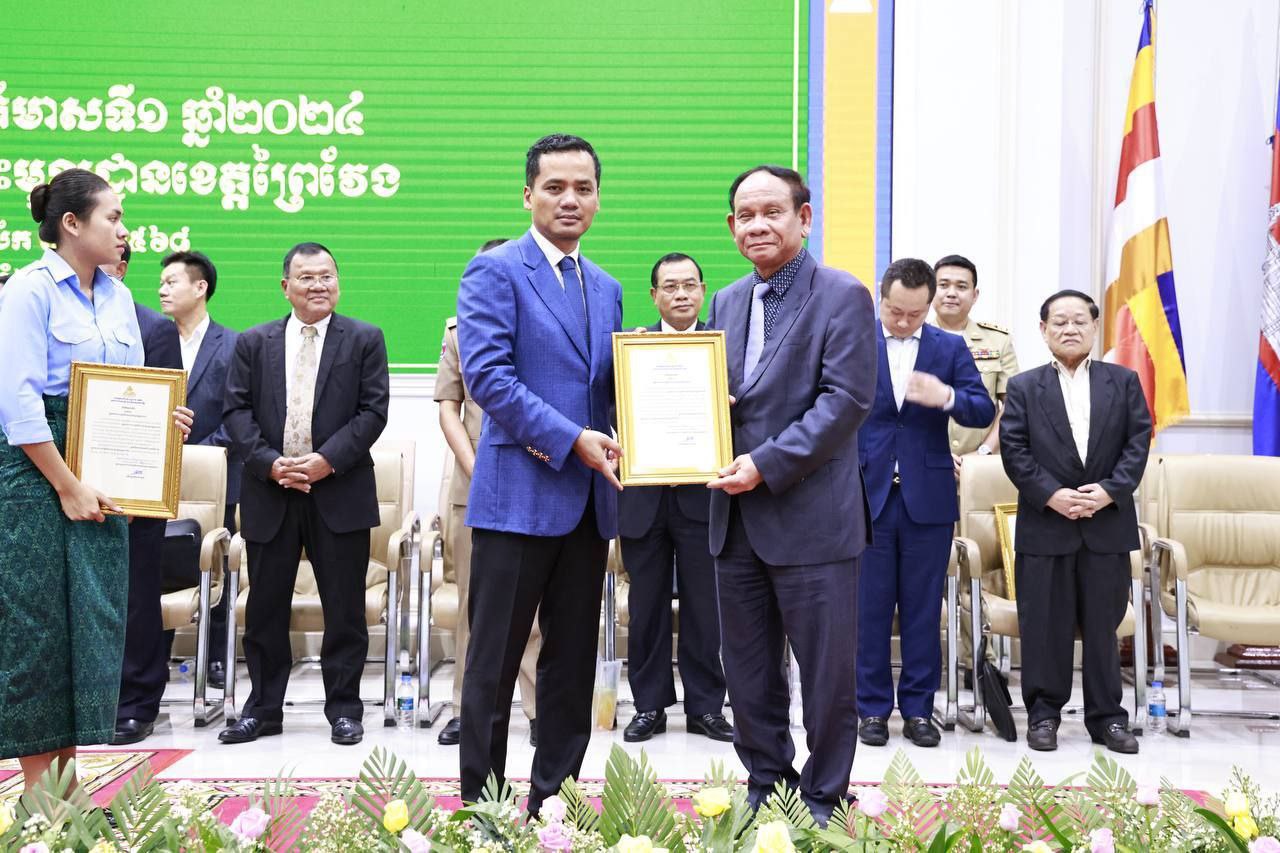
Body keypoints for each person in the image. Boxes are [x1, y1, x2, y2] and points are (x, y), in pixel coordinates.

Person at [0, 169, 191, 789]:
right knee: (39, 631)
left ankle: (66, 789)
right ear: (71, 224)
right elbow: (19, 406)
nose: (123, 229)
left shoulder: (116, 297)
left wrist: (165, 421)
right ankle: (42, 799)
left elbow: (128, 391)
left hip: (104, 479)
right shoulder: (28, 291)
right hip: (38, 476)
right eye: (113, 216)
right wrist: (67, 485)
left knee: (90, 625)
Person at [456, 134, 622, 813]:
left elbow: (605, 391)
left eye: (583, 188)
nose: (570, 199)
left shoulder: (606, 286)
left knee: (571, 666)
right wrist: (571, 438)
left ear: (598, 199)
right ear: (528, 195)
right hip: (517, 499)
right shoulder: (494, 271)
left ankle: (554, 803)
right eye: (555, 187)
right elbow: (488, 378)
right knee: (493, 666)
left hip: (587, 505)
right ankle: (487, 810)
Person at [706, 165, 876, 826]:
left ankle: (825, 793)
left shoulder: (842, 295)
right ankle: (766, 781)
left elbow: (845, 402)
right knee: (748, 670)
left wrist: (764, 464)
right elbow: (725, 397)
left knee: (827, 673)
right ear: (732, 226)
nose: (757, 225)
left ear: (804, 218)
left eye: (771, 212)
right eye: (745, 215)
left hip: (812, 518)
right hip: (734, 519)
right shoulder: (725, 301)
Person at [218, 242, 390, 746]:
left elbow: (373, 412)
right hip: (270, 491)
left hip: (339, 489)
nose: (319, 285)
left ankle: (344, 709)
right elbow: (236, 412)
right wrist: (270, 464)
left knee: (345, 609)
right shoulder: (254, 342)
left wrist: (325, 461)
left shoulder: (365, 338)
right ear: (285, 286)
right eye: (307, 277)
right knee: (265, 609)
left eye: (327, 276)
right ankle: (263, 709)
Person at [1000, 289, 1149, 754]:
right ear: (1043, 330)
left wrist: (1108, 492)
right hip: (1046, 525)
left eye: (1080, 321)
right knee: (1044, 627)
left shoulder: (1123, 381)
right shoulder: (1024, 387)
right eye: (1060, 321)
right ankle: (1043, 715)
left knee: (1103, 629)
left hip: (1106, 525)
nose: (1070, 329)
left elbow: (1138, 443)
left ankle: (1108, 719)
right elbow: (1014, 451)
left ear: (1095, 327)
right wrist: (1051, 495)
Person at [855, 258, 994, 749]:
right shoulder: (856, 340)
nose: (902, 322)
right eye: (894, 311)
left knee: (921, 610)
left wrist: (948, 396)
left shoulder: (948, 347)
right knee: (869, 609)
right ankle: (871, 709)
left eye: (914, 314)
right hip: (865, 493)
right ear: (881, 296)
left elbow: (983, 408)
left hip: (928, 497)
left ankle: (917, 710)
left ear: (929, 305)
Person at [434, 238, 542, 748]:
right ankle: (465, 708)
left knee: (536, 609)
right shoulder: (459, 330)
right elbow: (448, 408)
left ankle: (538, 708)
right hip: (475, 482)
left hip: (539, 478)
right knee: (474, 605)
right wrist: (477, 468)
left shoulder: (547, 326)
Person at [619, 252, 731, 744]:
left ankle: (706, 707)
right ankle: (649, 706)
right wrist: (632, 375)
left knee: (706, 609)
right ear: (654, 295)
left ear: (703, 290)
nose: (681, 294)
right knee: (646, 609)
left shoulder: (722, 349)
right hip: (643, 499)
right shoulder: (631, 349)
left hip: (703, 498)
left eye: (689, 285)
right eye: (670, 286)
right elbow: (613, 410)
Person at [99, 244, 185, 746]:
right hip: (67, 485)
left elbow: (166, 409)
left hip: (135, 485)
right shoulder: (52, 318)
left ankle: (136, 701)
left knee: (135, 597)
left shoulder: (153, 328)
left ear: (122, 267)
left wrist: (136, 487)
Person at [158, 250, 241, 689]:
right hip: (159, 477)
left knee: (219, 563)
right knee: (161, 564)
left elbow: (240, 415)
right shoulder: (153, 342)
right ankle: (155, 656)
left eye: (171, 282)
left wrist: (200, 456)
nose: (162, 290)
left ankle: (216, 657)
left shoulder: (234, 345)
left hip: (220, 475)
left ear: (200, 287)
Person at [929, 255, 1019, 468]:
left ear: (974, 295)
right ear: (931, 291)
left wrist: (983, 452)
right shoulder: (915, 339)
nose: (952, 293)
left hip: (983, 465)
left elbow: (1012, 405)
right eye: (943, 285)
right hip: (926, 463)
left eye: (961, 286)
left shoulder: (998, 341)